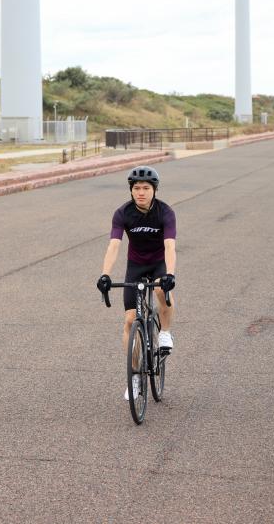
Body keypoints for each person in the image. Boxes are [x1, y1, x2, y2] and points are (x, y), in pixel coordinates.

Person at [97, 165, 176, 400]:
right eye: (136, 188)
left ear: (154, 190)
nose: (141, 192)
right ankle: (134, 377)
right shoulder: (123, 213)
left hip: (159, 264)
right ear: (131, 190)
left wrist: (170, 273)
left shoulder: (165, 212)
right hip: (136, 267)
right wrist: (105, 274)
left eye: (146, 188)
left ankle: (165, 333)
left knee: (162, 288)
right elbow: (114, 245)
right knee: (130, 320)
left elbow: (170, 245)